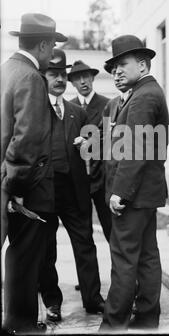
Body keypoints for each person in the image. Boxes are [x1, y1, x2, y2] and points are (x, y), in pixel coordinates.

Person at [98, 35, 169, 331]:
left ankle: (113, 325)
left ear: (142, 64)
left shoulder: (143, 96)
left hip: (134, 195)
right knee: (147, 256)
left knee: (125, 259)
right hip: (145, 194)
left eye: (121, 64)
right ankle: (146, 318)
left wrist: (119, 193)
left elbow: (137, 148)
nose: (115, 72)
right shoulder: (145, 92)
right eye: (113, 67)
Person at [1, 13, 67, 334]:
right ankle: (21, 326)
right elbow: (26, 139)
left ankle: (15, 322)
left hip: (4, 181)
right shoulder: (30, 77)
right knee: (26, 257)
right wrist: (17, 186)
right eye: (51, 45)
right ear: (42, 44)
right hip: (26, 188)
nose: (51, 52)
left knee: (17, 253)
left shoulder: (5, 71)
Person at [39, 49, 105, 323]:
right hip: (44, 192)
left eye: (62, 75)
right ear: (43, 77)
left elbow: (94, 146)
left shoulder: (77, 112)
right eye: (53, 74)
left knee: (85, 245)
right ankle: (52, 303)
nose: (59, 80)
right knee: (46, 251)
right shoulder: (35, 110)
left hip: (75, 191)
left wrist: (89, 143)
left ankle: (93, 300)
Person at [69, 61, 112, 242]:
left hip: (103, 179)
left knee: (112, 231)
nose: (83, 82)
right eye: (77, 79)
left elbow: (113, 140)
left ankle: (118, 270)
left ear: (93, 78)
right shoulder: (68, 107)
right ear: (72, 83)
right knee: (83, 238)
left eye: (86, 76)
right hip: (79, 183)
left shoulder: (107, 105)